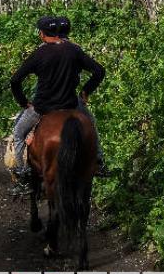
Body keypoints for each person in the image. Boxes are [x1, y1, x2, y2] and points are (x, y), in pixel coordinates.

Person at [8, 15, 109, 193]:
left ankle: (23, 176)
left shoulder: (39, 53)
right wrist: (86, 91)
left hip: (42, 108)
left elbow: (15, 80)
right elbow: (99, 71)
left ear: (42, 34)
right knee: (90, 125)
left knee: (18, 133)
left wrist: (24, 103)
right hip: (71, 104)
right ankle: (99, 162)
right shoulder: (73, 50)